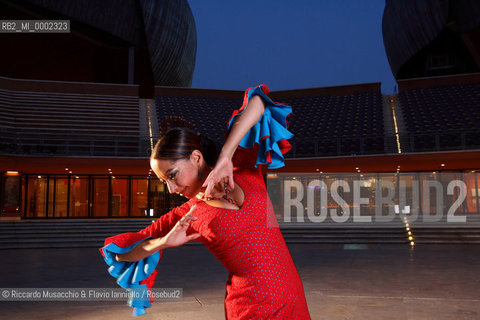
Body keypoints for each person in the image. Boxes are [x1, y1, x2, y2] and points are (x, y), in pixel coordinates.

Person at [99, 84, 311, 319]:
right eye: (164, 182)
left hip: (292, 296)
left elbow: (259, 103)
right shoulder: (187, 214)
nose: (171, 189)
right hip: (252, 308)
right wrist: (163, 243)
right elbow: (121, 254)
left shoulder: (242, 167)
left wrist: (225, 157)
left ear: (196, 157)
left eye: (172, 175)